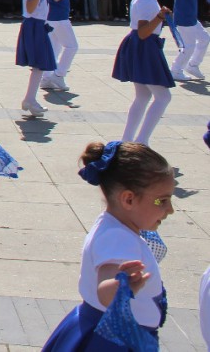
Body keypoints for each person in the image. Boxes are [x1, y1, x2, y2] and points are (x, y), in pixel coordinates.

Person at [39, 141, 174, 351]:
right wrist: (121, 286)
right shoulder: (117, 238)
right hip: (111, 340)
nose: (170, 209)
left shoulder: (115, 227)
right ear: (128, 199)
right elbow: (106, 287)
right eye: (162, 201)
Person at [114, 0, 175, 145]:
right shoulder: (146, 1)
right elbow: (142, 32)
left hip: (141, 47)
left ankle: (128, 139)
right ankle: (142, 141)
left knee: (143, 96)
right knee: (163, 97)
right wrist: (160, 16)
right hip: (145, 48)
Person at [16, 0, 56, 119]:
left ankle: (29, 99)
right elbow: (30, 8)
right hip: (34, 26)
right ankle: (30, 99)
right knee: (39, 65)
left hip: (38, 26)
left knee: (39, 66)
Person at [41, 0, 79, 93]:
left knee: (54, 48)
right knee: (72, 46)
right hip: (59, 18)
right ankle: (58, 75)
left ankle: (46, 78)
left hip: (52, 17)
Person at [169, 0, 208, 81]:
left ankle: (192, 65)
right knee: (189, 47)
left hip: (190, 18)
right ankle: (175, 70)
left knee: (204, 38)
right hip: (184, 19)